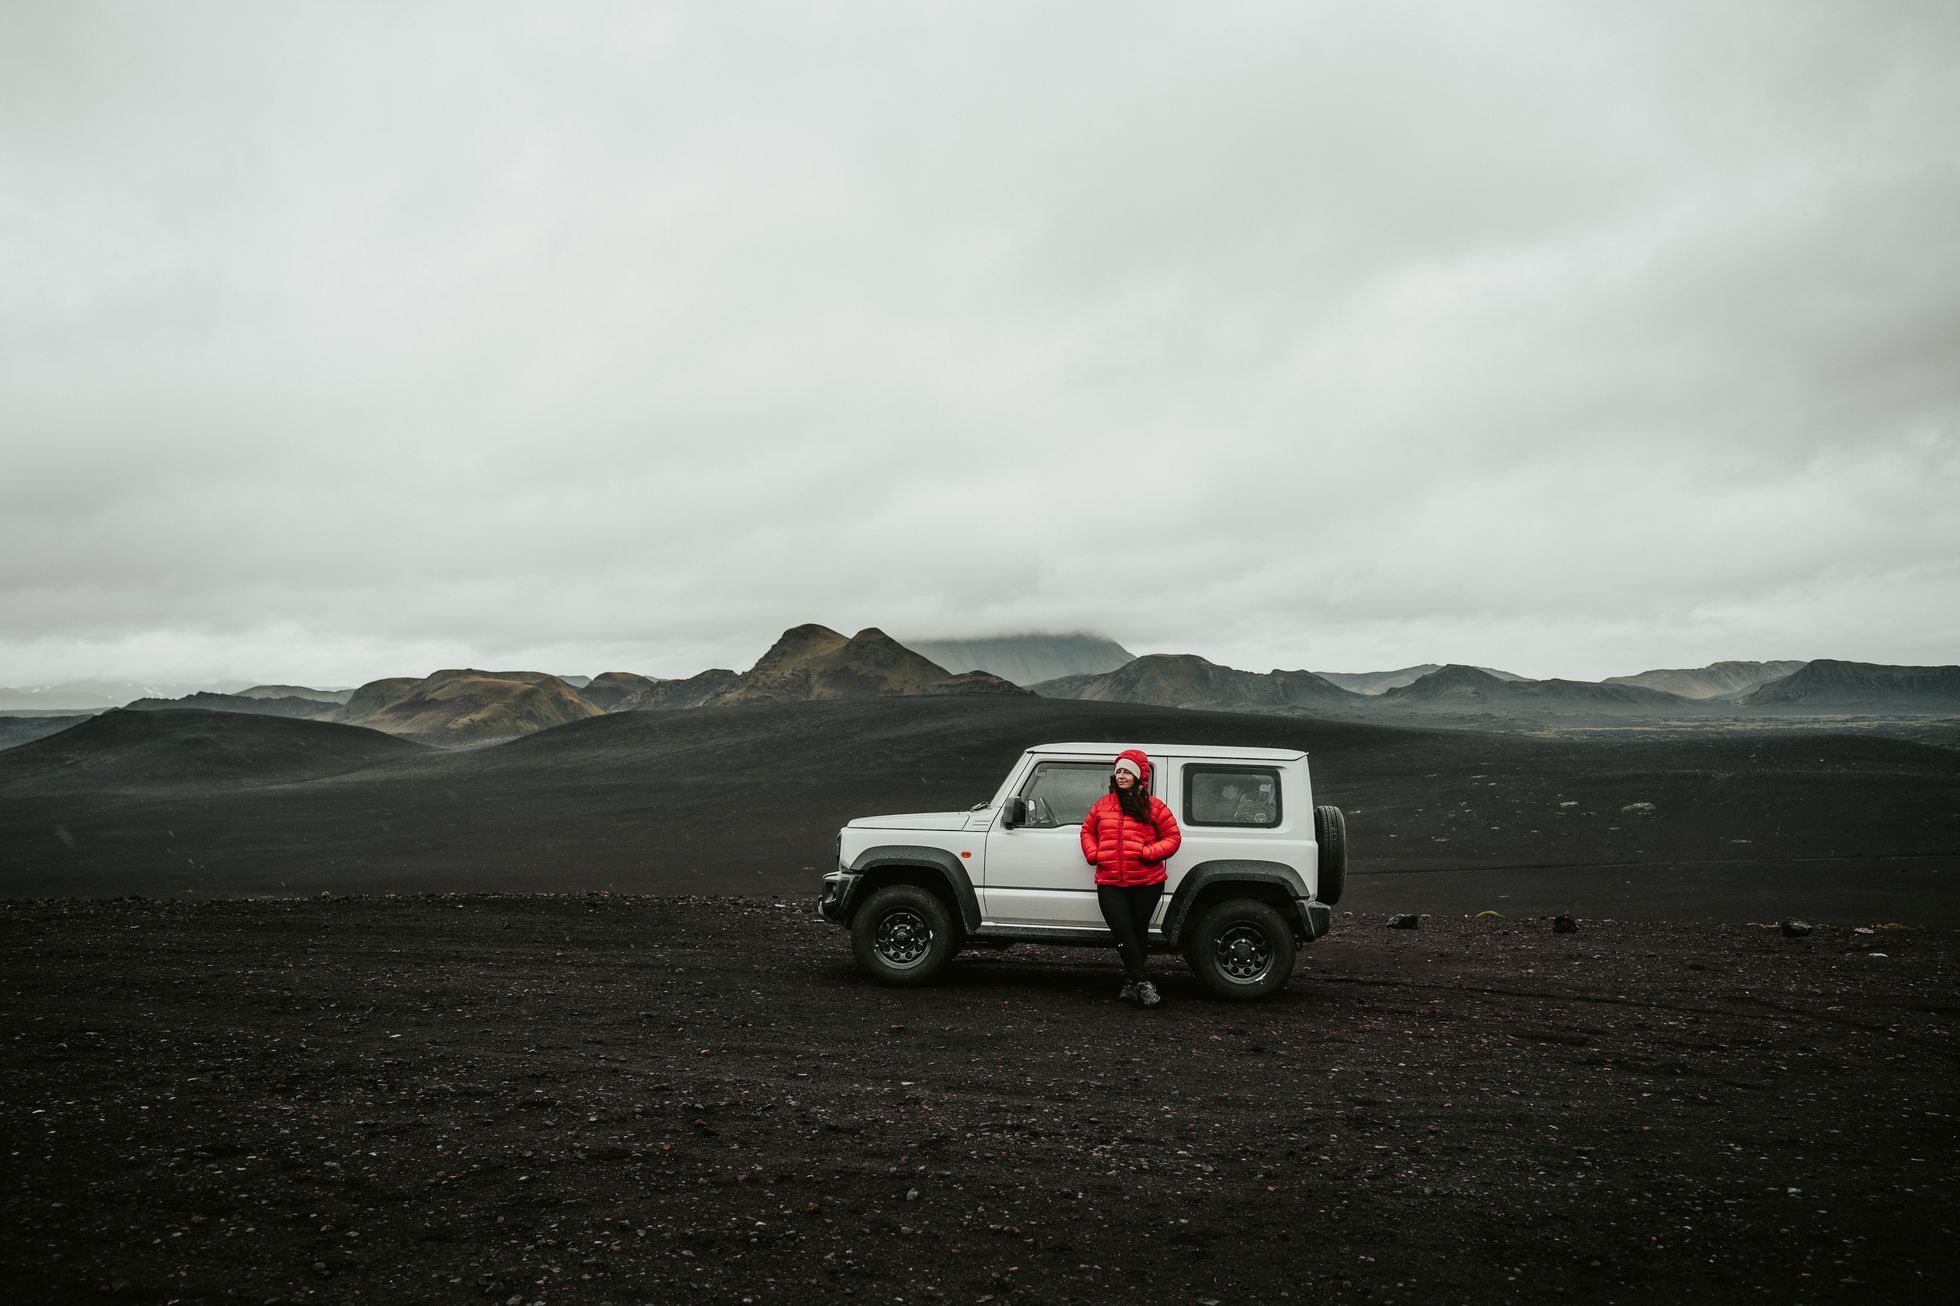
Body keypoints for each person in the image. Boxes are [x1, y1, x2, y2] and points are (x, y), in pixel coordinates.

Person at [1079, 748, 1182, 1007]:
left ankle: (1130, 983)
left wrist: (1148, 852)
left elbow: (1173, 838)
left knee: (1137, 933)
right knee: (1123, 931)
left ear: (1139, 777)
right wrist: (1094, 854)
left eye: (1128, 771)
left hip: (1148, 882)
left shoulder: (1154, 807)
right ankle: (1143, 983)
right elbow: (1087, 831)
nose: (1122, 776)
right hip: (1110, 882)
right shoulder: (1102, 805)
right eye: (1119, 771)